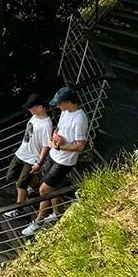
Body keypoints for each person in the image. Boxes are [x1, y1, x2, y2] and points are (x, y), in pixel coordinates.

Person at [23, 86, 89, 236]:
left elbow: (80, 145)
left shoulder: (80, 119)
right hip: (54, 154)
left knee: (44, 190)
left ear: (68, 102)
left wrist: (61, 147)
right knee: (54, 188)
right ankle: (57, 214)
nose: (57, 106)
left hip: (64, 161)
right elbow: (58, 128)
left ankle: (39, 221)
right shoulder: (65, 112)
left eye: (59, 103)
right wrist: (55, 136)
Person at [5, 93, 53, 218]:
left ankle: (19, 209)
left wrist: (39, 163)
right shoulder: (34, 117)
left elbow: (45, 146)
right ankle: (31, 186)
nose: (29, 109)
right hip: (21, 153)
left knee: (20, 184)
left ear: (41, 107)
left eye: (32, 107)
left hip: (32, 158)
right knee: (11, 176)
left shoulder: (46, 125)